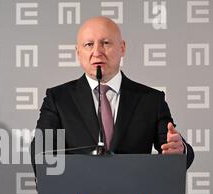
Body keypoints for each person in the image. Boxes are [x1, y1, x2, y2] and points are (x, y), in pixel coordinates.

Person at [30, 16, 194, 175]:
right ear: (78, 52)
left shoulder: (151, 99)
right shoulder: (58, 99)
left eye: (105, 43)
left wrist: (179, 150)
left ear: (122, 48)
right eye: (88, 44)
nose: (97, 52)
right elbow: (41, 152)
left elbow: (174, 149)